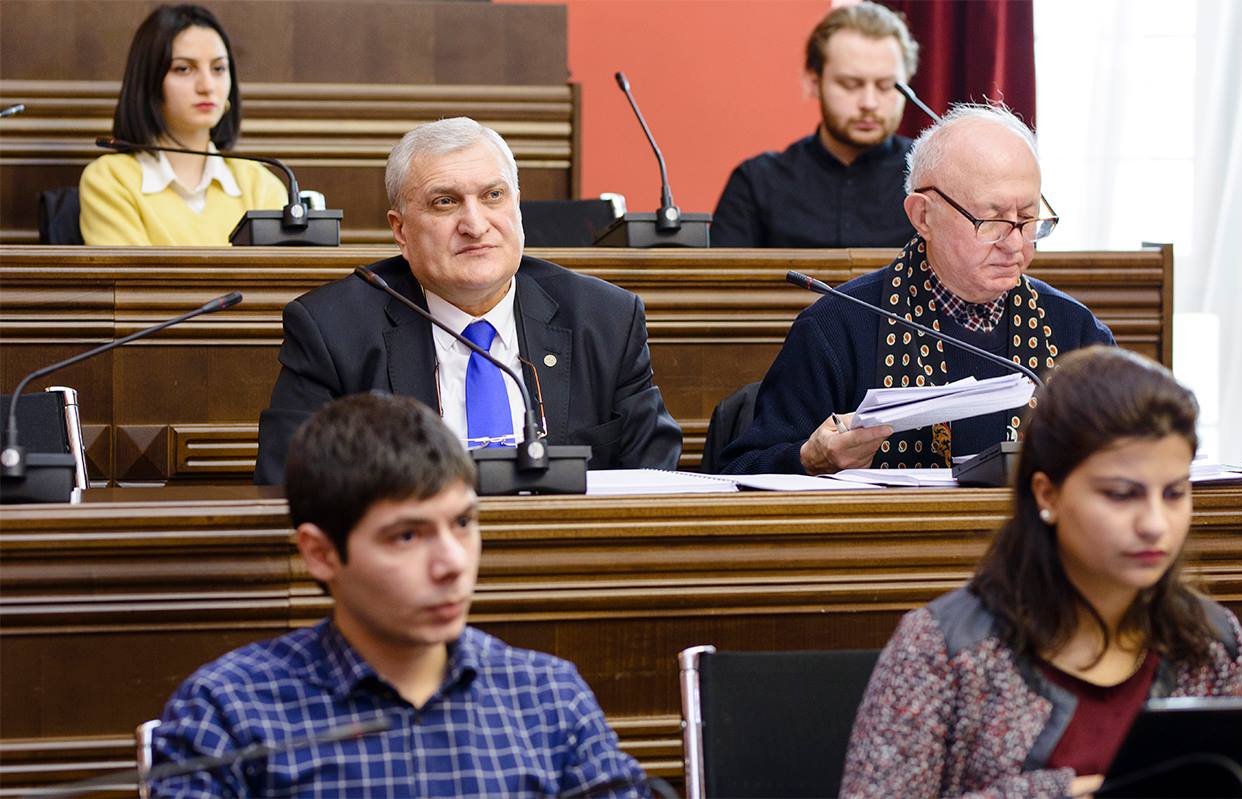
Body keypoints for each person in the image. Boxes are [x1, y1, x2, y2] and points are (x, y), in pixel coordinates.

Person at [151, 393, 648, 796]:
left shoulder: (549, 697)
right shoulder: (228, 711)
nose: (452, 564)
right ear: (321, 554)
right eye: (407, 536)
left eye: (463, 523)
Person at [838, 346, 1242, 798]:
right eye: (1120, 494)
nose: (1155, 524)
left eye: (1174, 494)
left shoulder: (1212, 642)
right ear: (1047, 494)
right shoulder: (940, 648)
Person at [252, 117, 681, 484]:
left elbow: (655, 479)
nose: (475, 225)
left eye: (493, 196)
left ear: (517, 208)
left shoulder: (604, 320)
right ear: (401, 230)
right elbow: (289, 486)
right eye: (445, 202)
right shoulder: (333, 331)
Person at [720, 104, 1114, 475]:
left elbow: (1128, 456)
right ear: (923, 215)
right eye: (991, 221)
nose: (1015, 244)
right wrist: (811, 458)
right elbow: (737, 472)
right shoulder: (837, 326)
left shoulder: (1075, 331)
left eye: (1028, 219)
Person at [710, 2, 918, 248]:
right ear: (812, 82)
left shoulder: (932, 183)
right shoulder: (756, 182)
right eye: (850, 85)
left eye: (886, 86)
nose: (869, 103)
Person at [79, 4, 287, 245]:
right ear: (149, 82)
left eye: (219, 68)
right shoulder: (111, 179)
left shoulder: (260, 183)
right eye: (184, 69)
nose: (207, 86)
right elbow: (132, 271)